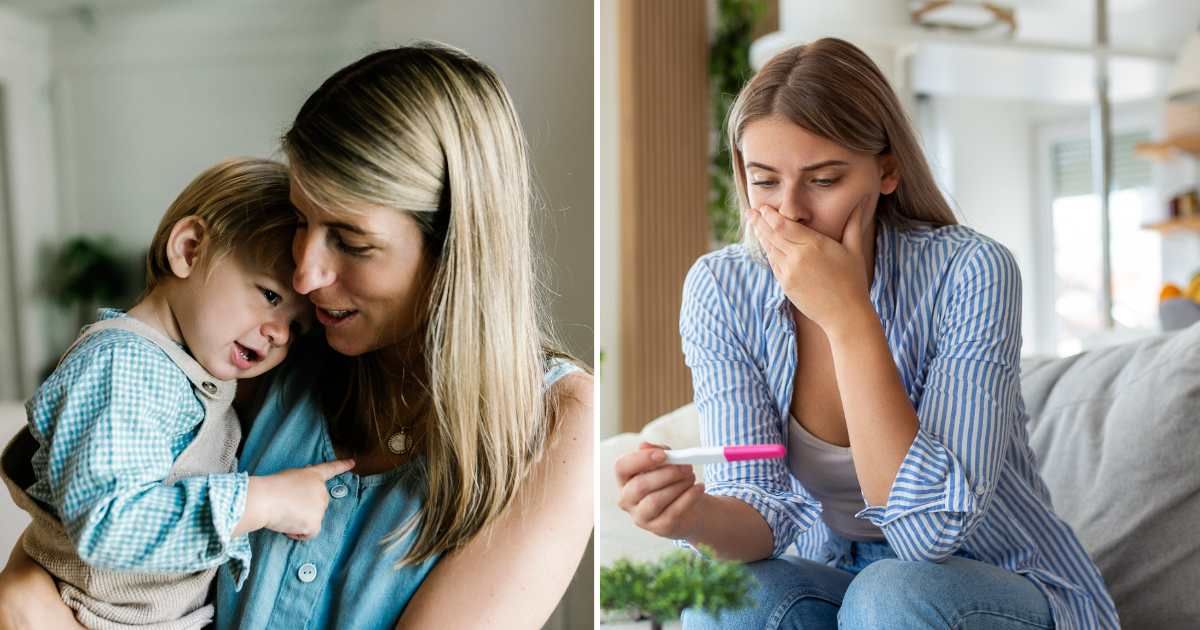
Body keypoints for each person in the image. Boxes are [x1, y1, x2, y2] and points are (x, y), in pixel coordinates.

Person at [0, 43, 593, 630]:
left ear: (456, 252)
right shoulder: (272, 355)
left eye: (352, 242)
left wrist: (28, 607)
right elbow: (60, 557)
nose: (305, 276)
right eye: (302, 220)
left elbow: (31, 604)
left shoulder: (555, 421)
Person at [615, 38, 1118, 629]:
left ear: (886, 170)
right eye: (766, 182)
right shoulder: (723, 289)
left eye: (823, 180)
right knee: (724, 594)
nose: (792, 212)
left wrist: (849, 317)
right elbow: (759, 510)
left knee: (890, 596)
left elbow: (927, 533)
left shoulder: (971, 271)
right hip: (836, 577)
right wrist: (690, 517)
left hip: (991, 583)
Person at [0, 158, 348, 629]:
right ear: (188, 249)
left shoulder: (186, 370)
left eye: (297, 327)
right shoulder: (121, 365)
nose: (280, 334)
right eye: (269, 296)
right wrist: (262, 501)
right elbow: (107, 524)